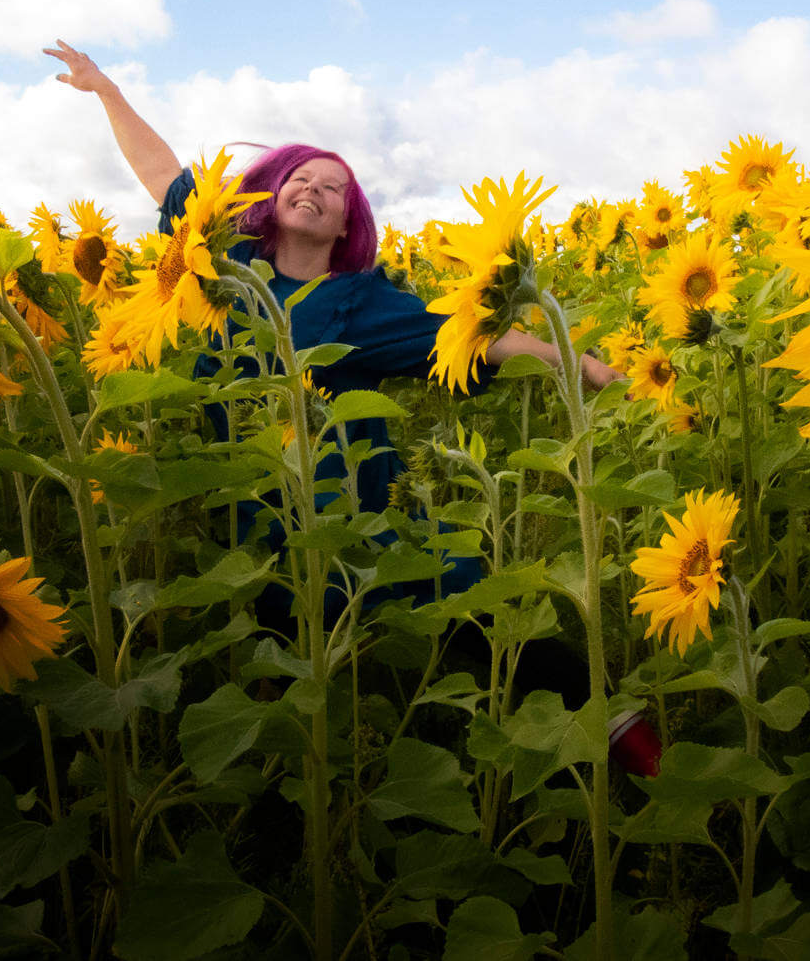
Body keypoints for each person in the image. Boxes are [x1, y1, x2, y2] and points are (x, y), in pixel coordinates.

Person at [47, 41, 658, 775]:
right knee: (284, 668)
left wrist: (578, 361)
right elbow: (163, 176)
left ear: (346, 223)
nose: (313, 187)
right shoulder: (219, 265)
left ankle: (625, 741)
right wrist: (107, 90)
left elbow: (475, 337)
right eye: (300, 177)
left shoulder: (361, 299)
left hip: (359, 513)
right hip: (256, 508)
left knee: (472, 608)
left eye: (333, 188)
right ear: (269, 196)